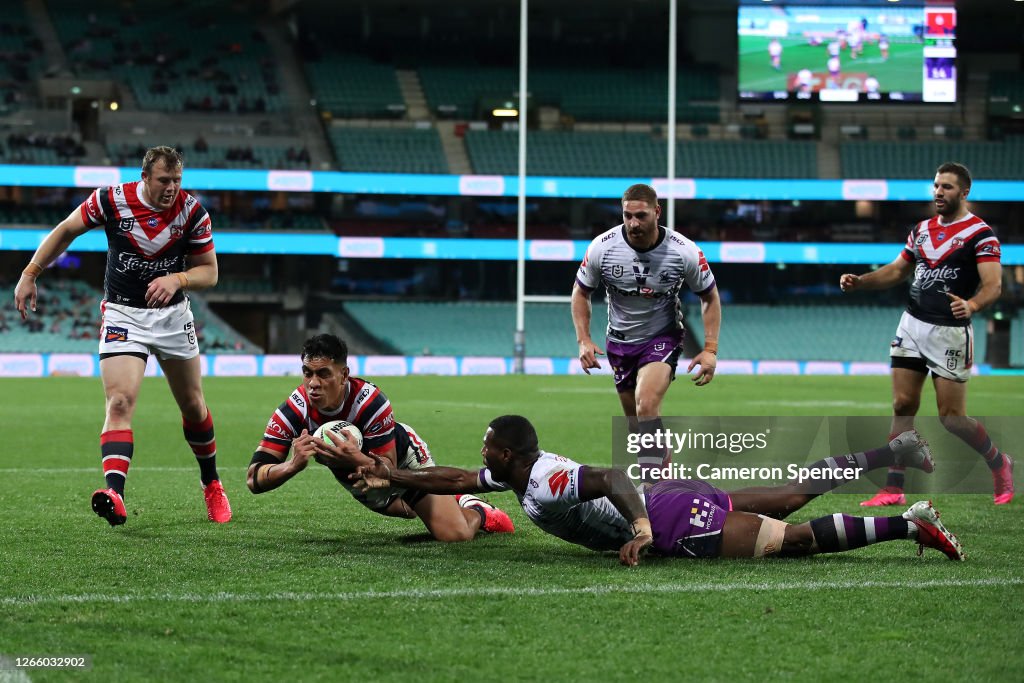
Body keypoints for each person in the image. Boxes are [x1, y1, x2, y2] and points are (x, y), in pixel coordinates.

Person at [350, 415, 964, 565]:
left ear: (508, 454)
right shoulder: (515, 473)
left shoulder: (542, 477)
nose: (480, 453)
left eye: (488, 445)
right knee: (789, 497)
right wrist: (392, 474)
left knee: (792, 540)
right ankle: (892, 452)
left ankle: (911, 524)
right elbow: (455, 478)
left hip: (670, 517)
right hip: (669, 497)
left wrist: (643, 529)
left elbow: (615, 478)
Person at [13, 145, 232, 526]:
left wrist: (177, 278)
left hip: (171, 317)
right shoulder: (111, 200)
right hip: (122, 314)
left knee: (193, 406)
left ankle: (211, 482)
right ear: (144, 177)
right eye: (164, 180)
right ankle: (115, 491)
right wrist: (30, 273)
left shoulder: (192, 212)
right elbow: (66, 230)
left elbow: (209, 273)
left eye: (177, 180)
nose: (171, 188)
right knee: (118, 402)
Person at [840, 162, 1013, 506]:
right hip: (912, 324)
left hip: (950, 334)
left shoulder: (981, 234)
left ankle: (998, 462)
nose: (938, 192)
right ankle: (894, 487)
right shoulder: (921, 230)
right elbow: (897, 271)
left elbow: (994, 285)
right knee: (902, 404)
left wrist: (974, 305)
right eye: (936, 186)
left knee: (952, 419)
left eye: (947, 187)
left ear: (964, 192)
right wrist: (861, 282)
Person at [246, 334, 514, 541]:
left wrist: (356, 457)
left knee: (455, 534)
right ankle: (449, 500)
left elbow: (387, 470)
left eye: (323, 373)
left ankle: (477, 508)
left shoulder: (370, 402)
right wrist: (291, 466)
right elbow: (253, 478)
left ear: (343, 375)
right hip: (356, 478)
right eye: (307, 373)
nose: (313, 383)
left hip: (402, 462)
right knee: (411, 511)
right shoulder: (293, 411)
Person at [571, 184, 721, 474]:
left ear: (657, 212)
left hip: (662, 336)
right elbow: (580, 292)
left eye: (640, 216)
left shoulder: (684, 251)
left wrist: (710, 348)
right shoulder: (603, 246)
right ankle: (662, 474)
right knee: (637, 426)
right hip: (619, 341)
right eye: (627, 216)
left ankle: (656, 489)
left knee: (647, 404)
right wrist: (583, 339)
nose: (633, 223)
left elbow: (709, 295)